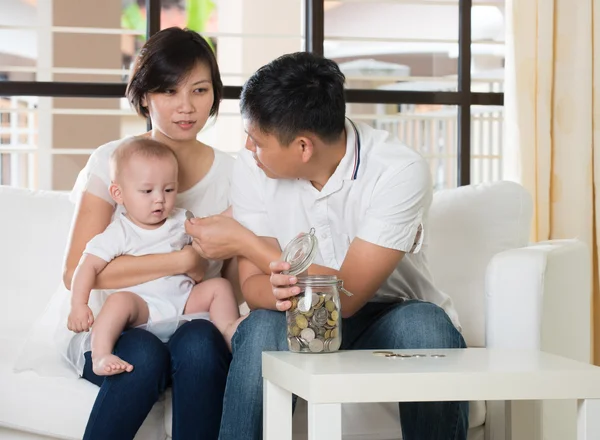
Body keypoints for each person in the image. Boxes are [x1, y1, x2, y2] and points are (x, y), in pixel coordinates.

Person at [213, 52, 469, 440]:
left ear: (303, 147)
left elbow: (346, 298)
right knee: (262, 328)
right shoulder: (252, 167)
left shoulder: (397, 170)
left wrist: (245, 241)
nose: (248, 147)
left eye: (257, 140)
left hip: (386, 315)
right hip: (294, 314)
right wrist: (274, 283)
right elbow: (252, 285)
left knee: (426, 327)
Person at [63, 27, 242, 440]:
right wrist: (182, 261)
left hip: (189, 316)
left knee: (199, 341)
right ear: (144, 95)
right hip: (122, 325)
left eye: (199, 90)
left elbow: (232, 283)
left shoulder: (234, 174)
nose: (186, 107)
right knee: (142, 352)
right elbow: (77, 270)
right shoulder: (113, 161)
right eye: (169, 91)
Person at [67, 138, 241, 377]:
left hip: (183, 302)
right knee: (118, 302)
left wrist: (238, 209)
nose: (159, 198)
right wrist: (79, 304)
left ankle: (228, 331)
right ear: (118, 193)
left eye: (169, 189)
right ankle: (101, 354)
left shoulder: (180, 220)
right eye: (147, 191)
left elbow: (212, 228)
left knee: (219, 286)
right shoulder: (120, 232)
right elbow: (86, 267)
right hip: (143, 308)